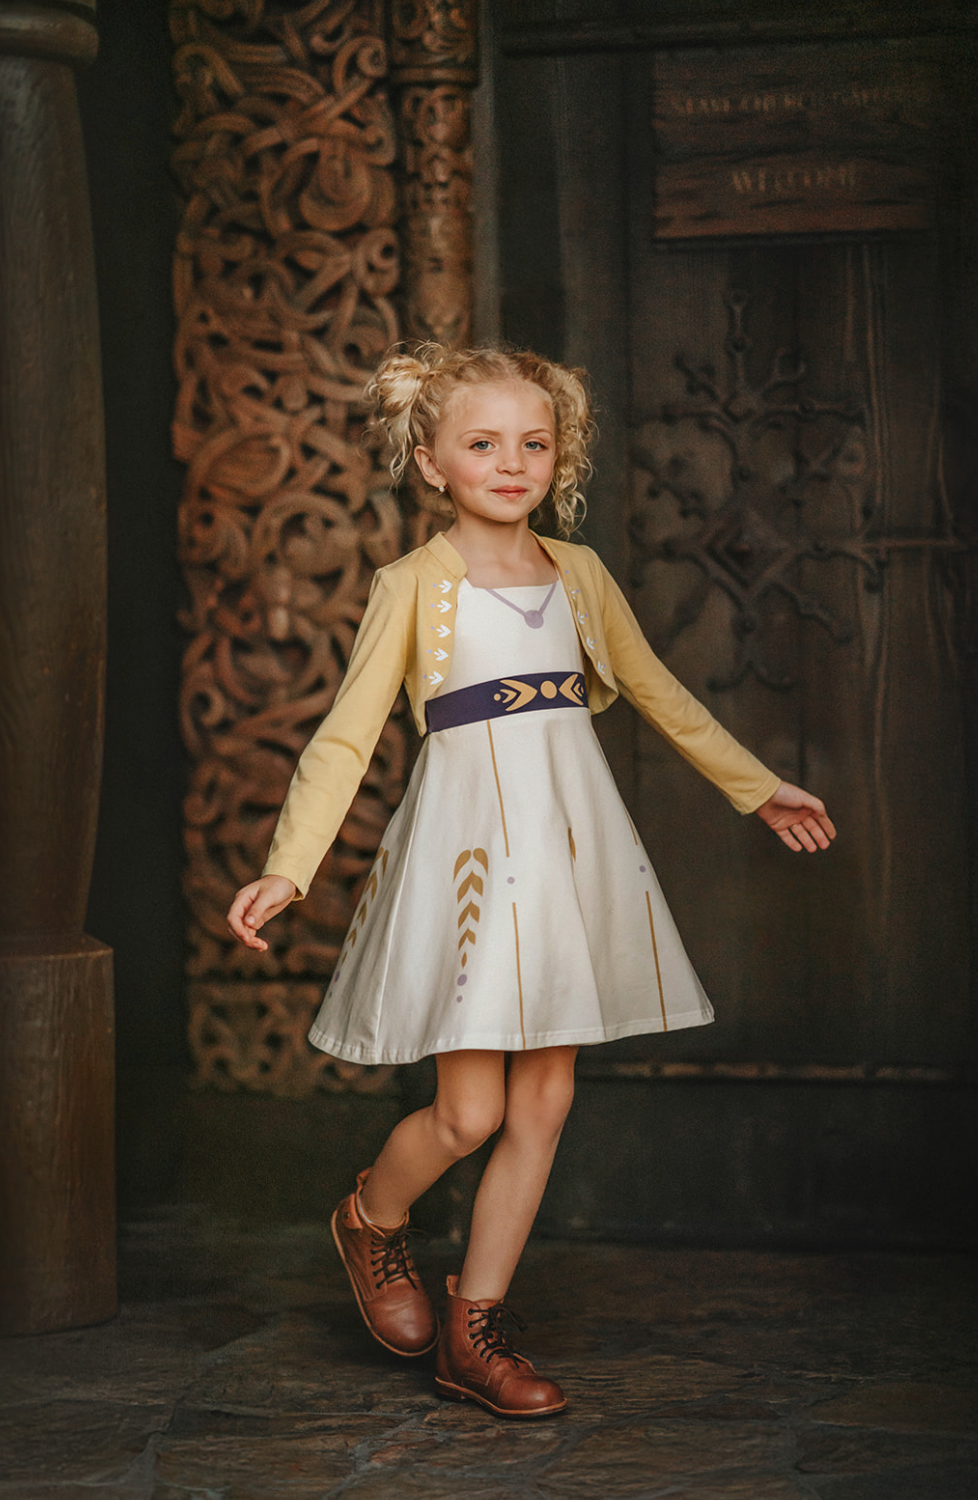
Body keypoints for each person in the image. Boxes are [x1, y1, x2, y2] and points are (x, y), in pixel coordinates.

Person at [226, 344, 836, 1418]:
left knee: (545, 1098)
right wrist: (290, 866)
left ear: (560, 458)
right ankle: (370, 1216)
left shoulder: (580, 575)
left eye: (534, 444)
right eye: (482, 444)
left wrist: (757, 789)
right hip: (467, 854)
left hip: (564, 849)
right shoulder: (412, 585)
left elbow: (661, 694)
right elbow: (345, 735)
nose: (511, 464)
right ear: (430, 461)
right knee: (468, 1112)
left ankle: (478, 1326)